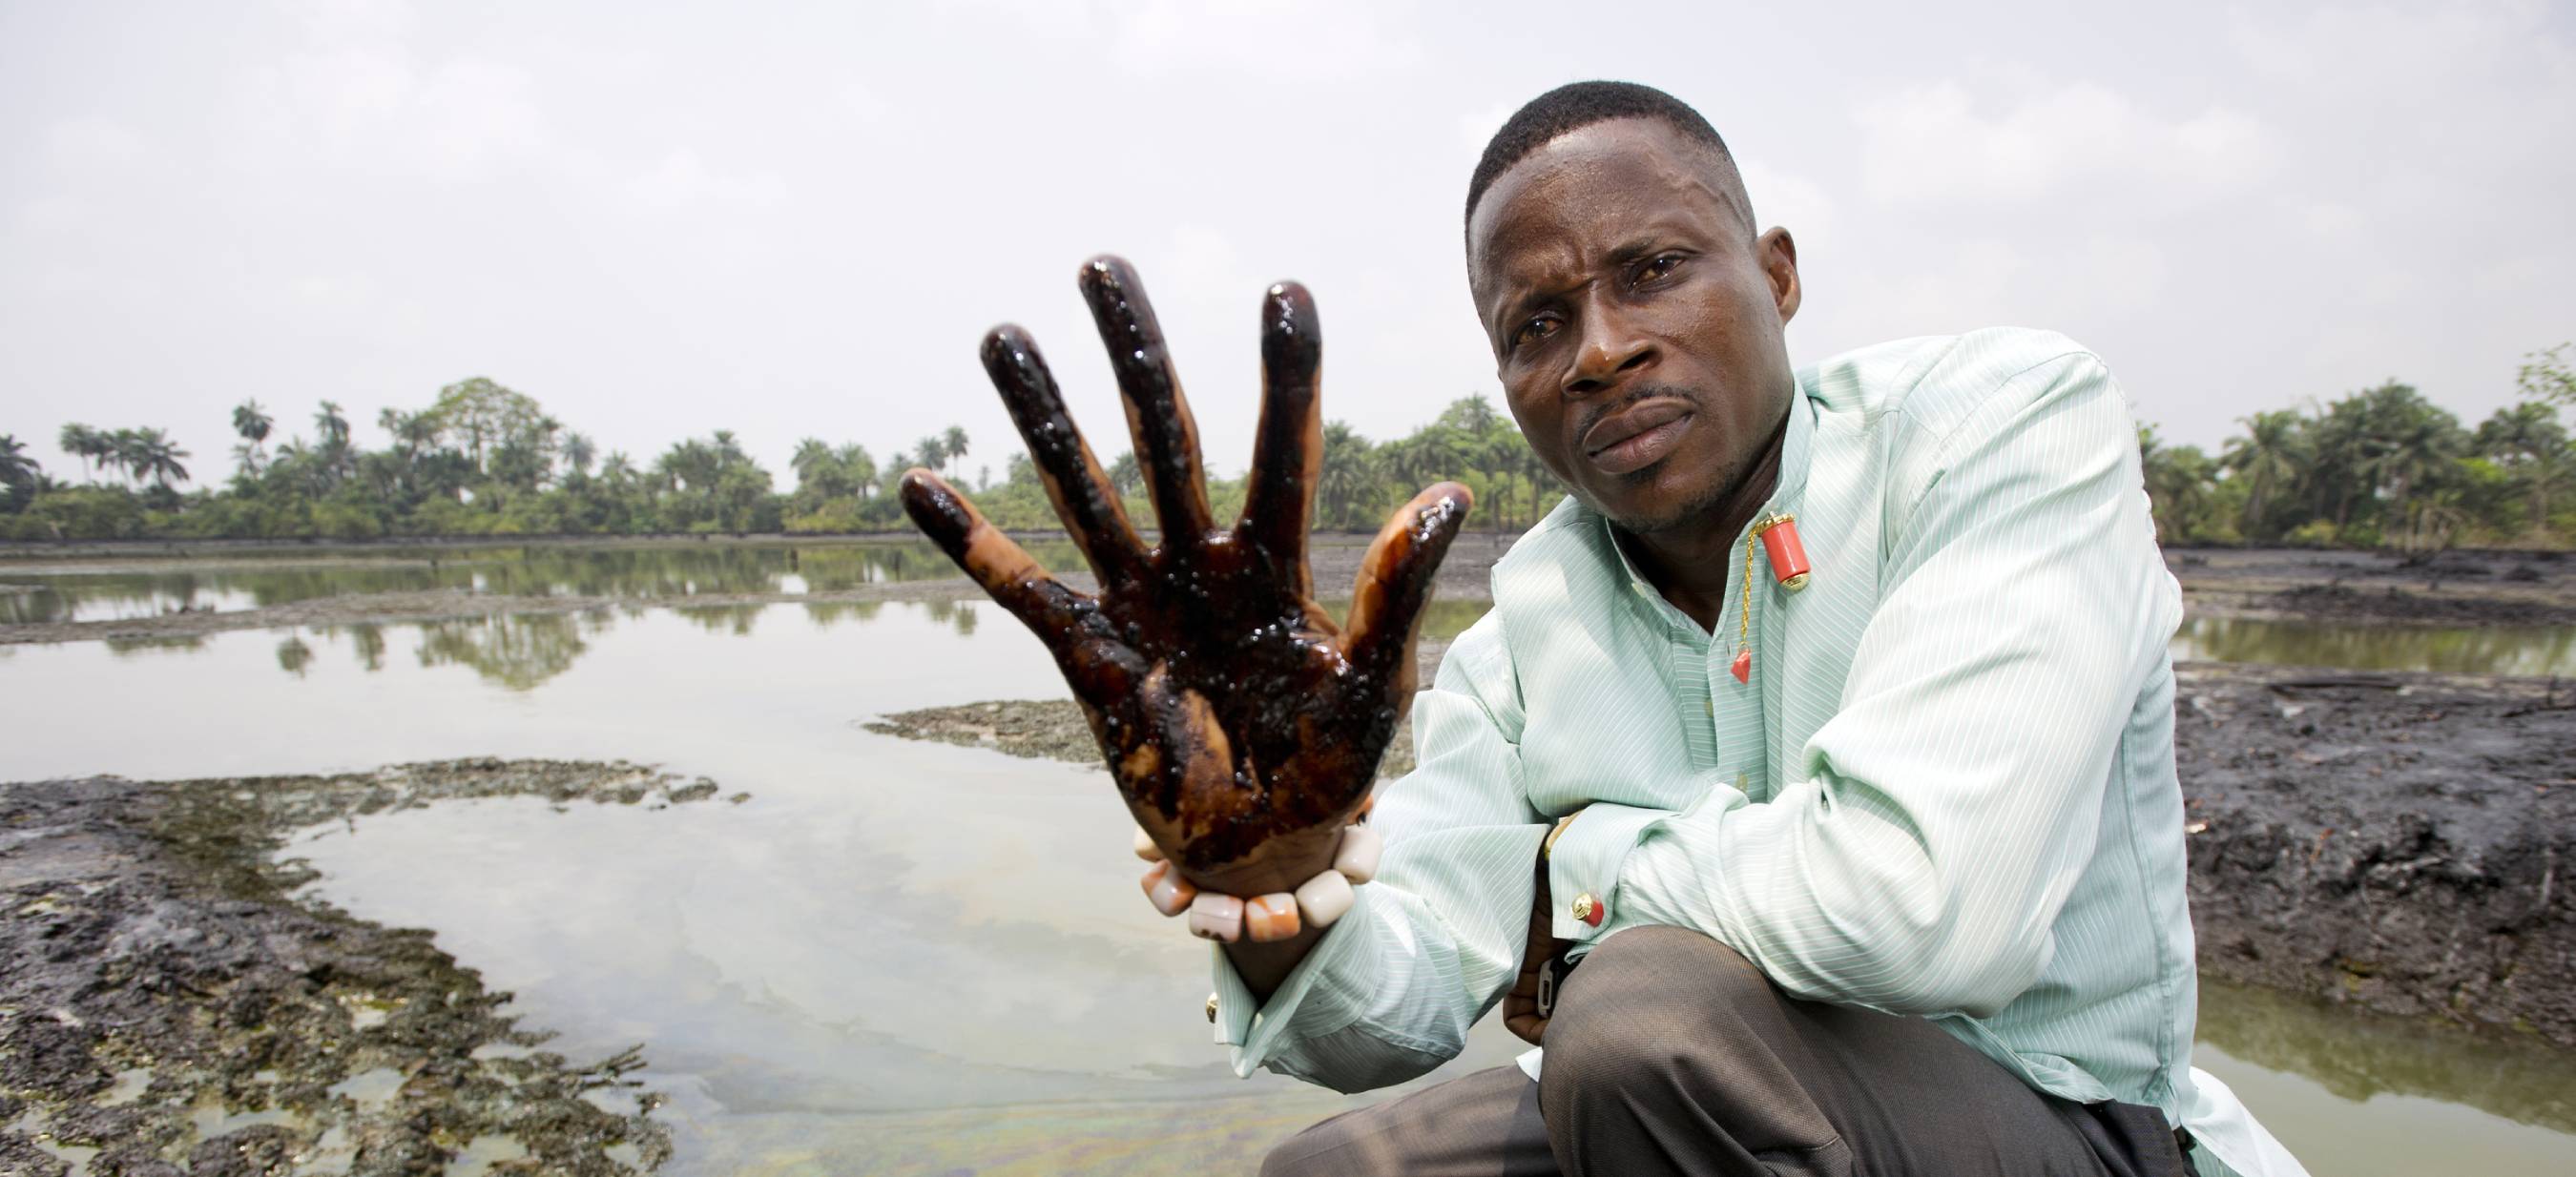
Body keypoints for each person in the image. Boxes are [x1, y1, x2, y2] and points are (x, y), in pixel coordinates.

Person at [906, 80, 2309, 1177]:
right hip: (1679, 1127)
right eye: (1536, 321)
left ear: (1777, 274)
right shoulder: (1531, 624)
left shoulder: (1994, 429)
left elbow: (1925, 910)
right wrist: (1274, 880)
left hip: (2062, 1126)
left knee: (1639, 1026)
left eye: (1652, 269)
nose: (1597, 348)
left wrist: (1568, 874)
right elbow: (1402, 993)